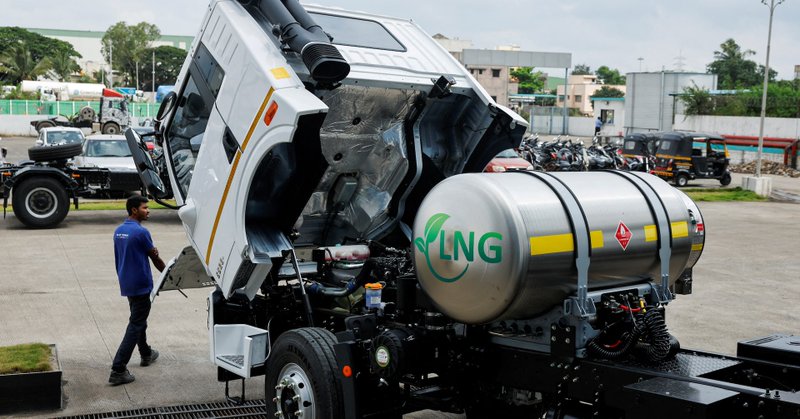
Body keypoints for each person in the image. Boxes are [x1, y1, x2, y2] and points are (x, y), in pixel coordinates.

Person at [109, 196, 166, 385]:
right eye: (144, 207)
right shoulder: (141, 232)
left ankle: (146, 353)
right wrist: (168, 274)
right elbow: (155, 259)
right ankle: (118, 369)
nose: (148, 210)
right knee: (135, 324)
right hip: (141, 284)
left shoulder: (119, 231)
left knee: (139, 319)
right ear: (134, 210)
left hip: (126, 282)